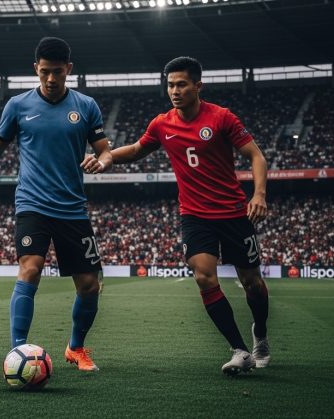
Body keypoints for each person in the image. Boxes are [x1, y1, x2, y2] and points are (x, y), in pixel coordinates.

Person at [0, 37, 112, 372]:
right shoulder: (18, 106)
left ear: (69, 69)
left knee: (89, 285)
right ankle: (17, 352)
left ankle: (76, 348)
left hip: (72, 209)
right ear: (35, 69)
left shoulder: (86, 106)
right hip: (32, 204)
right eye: (44, 73)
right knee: (30, 268)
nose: (51, 79)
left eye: (57, 72)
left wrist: (103, 159)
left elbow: (105, 149)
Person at [110, 56, 271, 376]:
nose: (174, 90)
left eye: (181, 84)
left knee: (251, 282)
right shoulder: (161, 124)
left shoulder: (222, 118)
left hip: (234, 213)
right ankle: (240, 350)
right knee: (203, 276)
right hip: (194, 215)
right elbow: (136, 150)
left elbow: (256, 156)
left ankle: (260, 334)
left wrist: (259, 194)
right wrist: (104, 157)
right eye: (170, 85)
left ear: (198, 85)